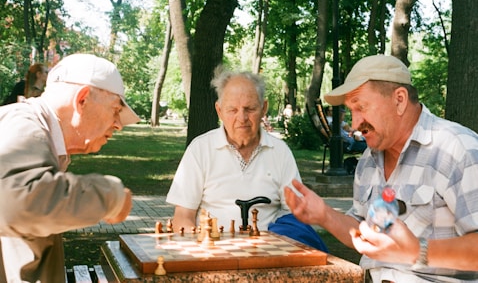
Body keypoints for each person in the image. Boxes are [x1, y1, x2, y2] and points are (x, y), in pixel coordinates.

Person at [285, 55, 478, 282]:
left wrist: (417, 251)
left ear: (399, 99)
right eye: (351, 111)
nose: (355, 124)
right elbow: (360, 229)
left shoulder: (457, 148)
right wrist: (324, 215)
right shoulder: (368, 159)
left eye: (361, 107)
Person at [0, 53, 141, 282]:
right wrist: (110, 196)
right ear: (82, 99)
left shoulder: (35, 129)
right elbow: (16, 201)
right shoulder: (24, 124)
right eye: (115, 110)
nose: (118, 125)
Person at [166, 67, 327, 251]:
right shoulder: (200, 149)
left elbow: (295, 215)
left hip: (269, 256)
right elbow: (183, 216)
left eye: (249, 109)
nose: (241, 118)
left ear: (264, 108)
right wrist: (200, 248)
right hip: (214, 254)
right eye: (232, 110)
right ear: (219, 110)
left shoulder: (280, 152)